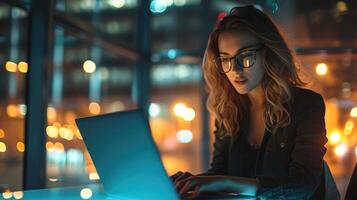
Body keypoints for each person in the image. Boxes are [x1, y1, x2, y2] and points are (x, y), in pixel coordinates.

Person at [171, 5, 333, 199]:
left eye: (246, 56)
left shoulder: (306, 105)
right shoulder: (228, 111)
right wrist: (190, 183)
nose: (235, 69)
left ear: (268, 52)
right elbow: (220, 172)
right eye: (226, 59)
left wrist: (223, 182)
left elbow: (302, 185)